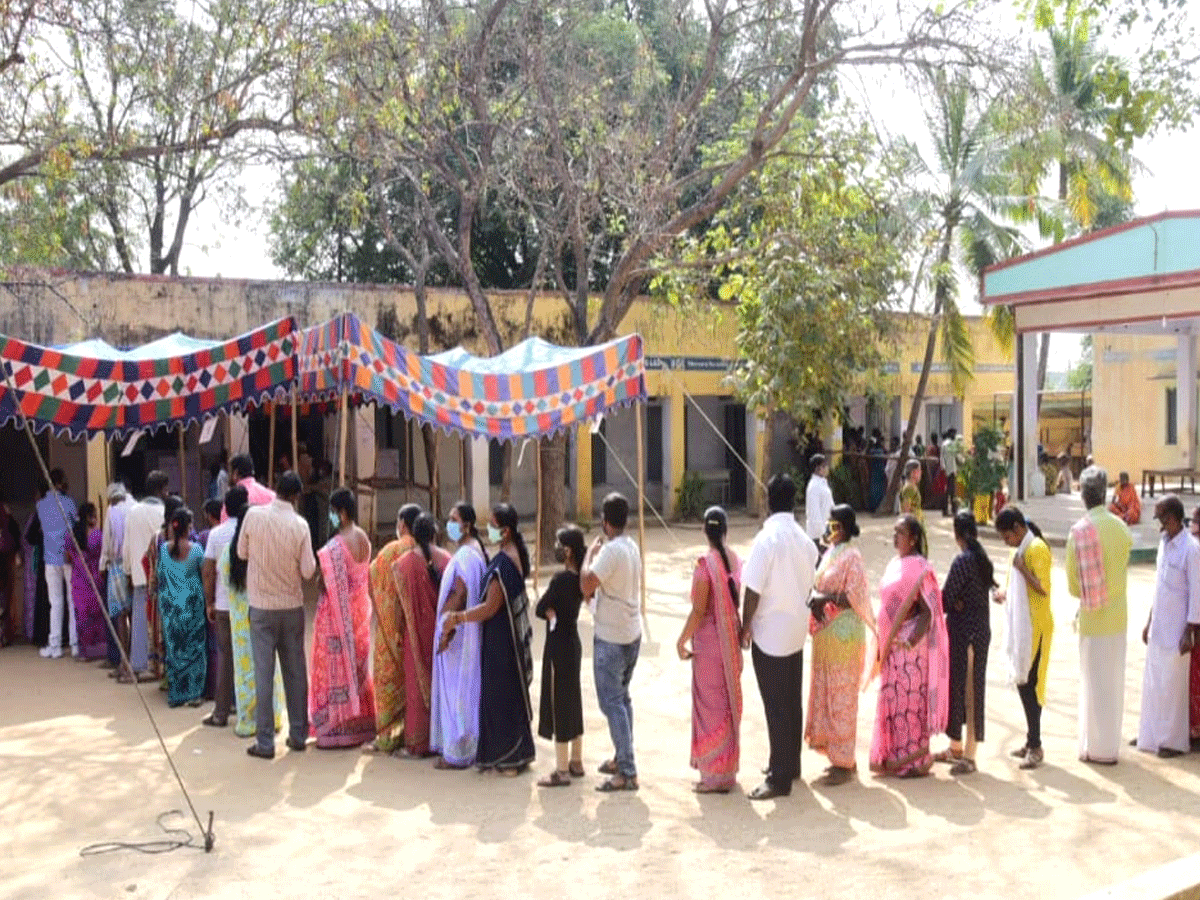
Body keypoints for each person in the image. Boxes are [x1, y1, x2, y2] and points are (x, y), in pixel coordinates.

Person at [741, 473, 818, 800]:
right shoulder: (804, 540)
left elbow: (753, 590)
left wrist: (745, 626)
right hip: (796, 631)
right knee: (791, 700)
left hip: (770, 633)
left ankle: (779, 776)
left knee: (776, 705)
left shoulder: (767, 539)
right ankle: (790, 762)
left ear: (769, 500)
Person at [443, 503, 535, 775]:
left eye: (494, 525)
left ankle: (509, 757)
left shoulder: (504, 563)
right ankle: (514, 753)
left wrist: (457, 619)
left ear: (505, 531)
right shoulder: (511, 552)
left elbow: (489, 608)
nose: (489, 530)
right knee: (508, 695)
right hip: (504, 635)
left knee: (500, 697)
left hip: (501, 640)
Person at [238, 471, 317, 759]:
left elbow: (241, 552)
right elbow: (308, 571)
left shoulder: (254, 517)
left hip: (260, 606)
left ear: (276, 490)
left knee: (263, 673)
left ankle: (265, 742)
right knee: (295, 672)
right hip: (291, 606)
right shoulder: (300, 525)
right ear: (296, 496)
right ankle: (298, 734)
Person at [870, 515, 949, 778]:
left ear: (913, 539)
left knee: (910, 705)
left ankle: (915, 761)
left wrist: (910, 641)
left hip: (910, 650)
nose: (895, 537)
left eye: (900, 533)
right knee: (893, 701)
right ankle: (894, 757)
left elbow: (929, 611)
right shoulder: (895, 564)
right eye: (894, 532)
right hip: (892, 647)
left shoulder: (922, 569)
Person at [1067, 466, 1132, 765]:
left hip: (1092, 621)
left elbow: (1072, 586)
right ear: (1105, 492)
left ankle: (1092, 747)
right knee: (1114, 684)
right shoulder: (1121, 529)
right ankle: (1109, 748)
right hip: (1118, 618)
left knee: (1092, 684)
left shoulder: (1078, 532)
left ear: (1083, 494)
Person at [805, 504, 873, 786]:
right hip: (826, 635)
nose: (829, 529)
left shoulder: (853, 556)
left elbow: (854, 595)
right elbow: (819, 583)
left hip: (844, 637)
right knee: (827, 696)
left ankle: (846, 763)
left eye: (833, 524)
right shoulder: (831, 553)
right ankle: (835, 756)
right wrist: (815, 596)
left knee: (842, 700)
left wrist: (826, 600)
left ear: (843, 527)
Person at [676, 507, 742, 793]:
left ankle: (713, 776)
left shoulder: (705, 566)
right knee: (724, 706)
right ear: (725, 530)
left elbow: (699, 610)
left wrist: (681, 640)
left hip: (710, 648)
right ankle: (726, 772)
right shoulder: (734, 560)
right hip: (730, 643)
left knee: (710, 709)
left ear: (704, 530)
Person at [582, 492, 644, 792]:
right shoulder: (630, 546)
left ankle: (628, 770)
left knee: (613, 703)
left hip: (612, 636)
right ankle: (622, 758)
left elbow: (586, 584)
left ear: (605, 523)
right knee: (622, 699)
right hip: (630, 632)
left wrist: (589, 556)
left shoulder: (610, 552)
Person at [309, 488, 376, 749]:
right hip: (359, 611)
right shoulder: (364, 539)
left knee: (334, 669)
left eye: (334, 512)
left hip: (337, 617)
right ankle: (362, 724)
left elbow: (325, 583)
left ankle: (336, 726)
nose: (332, 517)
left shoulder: (336, 546)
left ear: (343, 512)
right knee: (358, 666)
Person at [1136, 495, 1200, 758]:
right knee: (1154, 683)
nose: (1160, 524)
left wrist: (1190, 631)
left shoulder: (1191, 549)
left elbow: (1197, 594)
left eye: (1162, 518)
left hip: (1177, 631)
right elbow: (1159, 588)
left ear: (1173, 518)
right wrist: (1149, 621)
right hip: (1159, 626)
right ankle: (1150, 735)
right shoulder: (1164, 545)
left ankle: (1173, 741)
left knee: (1173, 686)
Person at [384, 511, 450, 757]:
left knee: (415, 690)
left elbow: (398, 605)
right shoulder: (446, 560)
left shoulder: (403, 564)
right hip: (443, 634)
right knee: (442, 686)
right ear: (435, 533)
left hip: (414, 634)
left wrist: (398, 631)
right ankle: (443, 739)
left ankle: (417, 744)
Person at [934, 512, 995, 775]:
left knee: (966, 692)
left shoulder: (963, 561)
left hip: (965, 634)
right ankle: (958, 747)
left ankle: (968, 754)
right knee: (967, 689)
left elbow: (946, 599)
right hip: (978, 631)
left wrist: (955, 602)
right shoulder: (982, 560)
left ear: (957, 534)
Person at [994, 506, 1053, 770]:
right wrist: (1003, 594)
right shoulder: (1017, 552)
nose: (1007, 542)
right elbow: (1014, 585)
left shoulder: (1037, 549)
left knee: (1031, 685)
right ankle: (1031, 740)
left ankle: (1036, 744)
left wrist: (1022, 569)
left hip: (1036, 627)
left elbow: (1042, 588)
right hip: (1022, 626)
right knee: (1023, 682)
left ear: (1018, 529)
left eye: (1008, 537)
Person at [430, 502, 489, 769]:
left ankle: (457, 752)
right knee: (466, 690)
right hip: (467, 634)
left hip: (458, 635)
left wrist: (446, 625)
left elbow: (459, 592)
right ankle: (467, 747)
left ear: (466, 525)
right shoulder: (475, 550)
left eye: (454, 520)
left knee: (457, 693)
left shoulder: (466, 556)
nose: (449, 524)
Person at [224, 499, 284, 738]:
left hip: (239, 623)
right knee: (268, 667)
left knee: (245, 673)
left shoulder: (229, 552)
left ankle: (248, 720)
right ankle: (273, 717)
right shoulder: (262, 550)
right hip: (264, 615)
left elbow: (224, 581)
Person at [367, 503, 421, 754]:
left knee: (387, 681)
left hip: (388, 631)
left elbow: (371, 580)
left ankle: (387, 737)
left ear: (402, 524)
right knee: (412, 683)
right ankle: (411, 732)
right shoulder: (422, 549)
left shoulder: (390, 550)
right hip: (413, 631)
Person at [536, 525, 587, 788]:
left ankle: (562, 769)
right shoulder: (582, 579)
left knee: (560, 704)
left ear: (567, 551)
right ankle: (577, 760)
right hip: (573, 642)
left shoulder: (560, 581)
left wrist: (549, 613)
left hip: (558, 646)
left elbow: (540, 607)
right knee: (574, 699)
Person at [201, 485, 247, 728]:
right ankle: (247, 708)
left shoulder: (216, 535)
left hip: (224, 606)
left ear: (225, 509)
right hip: (249, 605)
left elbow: (208, 571)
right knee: (248, 658)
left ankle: (221, 711)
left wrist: (209, 601)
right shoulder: (252, 532)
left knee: (226, 658)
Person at [155, 507, 207, 707]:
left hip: (171, 612)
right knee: (195, 651)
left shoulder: (163, 550)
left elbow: (160, 576)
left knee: (174, 651)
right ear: (189, 527)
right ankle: (194, 693)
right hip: (192, 609)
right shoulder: (196, 550)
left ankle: (177, 693)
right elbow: (205, 576)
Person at [121, 470, 168, 682]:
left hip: (140, 574)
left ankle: (139, 664)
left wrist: (128, 570)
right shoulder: (164, 511)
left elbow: (127, 545)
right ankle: (160, 665)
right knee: (160, 623)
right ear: (161, 490)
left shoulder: (134, 511)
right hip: (160, 574)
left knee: (140, 621)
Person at [37, 468, 77, 658]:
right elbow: (75, 526)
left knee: (55, 602)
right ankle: (75, 644)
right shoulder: (69, 503)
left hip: (50, 557)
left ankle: (55, 646)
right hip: (68, 556)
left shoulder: (41, 505)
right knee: (71, 600)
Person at [65, 502, 107, 661]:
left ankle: (84, 651)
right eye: (94, 515)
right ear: (90, 516)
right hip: (95, 579)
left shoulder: (72, 535)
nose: (96, 518)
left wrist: (79, 561)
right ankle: (99, 650)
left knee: (82, 615)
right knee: (97, 615)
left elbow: (68, 557)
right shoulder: (98, 535)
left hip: (79, 580)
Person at [99, 482, 135, 670]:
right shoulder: (134, 507)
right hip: (133, 565)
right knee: (132, 613)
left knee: (120, 615)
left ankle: (124, 660)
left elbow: (107, 543)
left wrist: (102, 566)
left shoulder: (111, 512)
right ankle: (134, 658)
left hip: (117, 567)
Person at [223, 454, 275, 520]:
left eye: (229, 471)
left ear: (235, 473)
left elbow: (226, 523)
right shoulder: (271, 495)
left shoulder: (232, 499)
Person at [0, 497, 22, 647]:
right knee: (4, 598)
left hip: (4, 558)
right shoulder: (5, 511)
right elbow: (15, 535)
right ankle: (4, 636)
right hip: (5, 557)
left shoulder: (4, 511)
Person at [805, 454, 835, 546]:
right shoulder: (814, 486)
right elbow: (814, 513)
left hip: (827, 531)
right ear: (818, 468)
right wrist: (823, 534)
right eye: (824, 466)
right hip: (818, 537)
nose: (827, 468)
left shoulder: (822, 483)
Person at [941, 429, 960, 516]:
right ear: (950, 434)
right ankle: (953, 510)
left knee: (947, 491)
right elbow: (958, 457)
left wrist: (943, 468)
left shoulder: (944, 444)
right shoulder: (952, 444)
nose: (955, 436)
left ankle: (945, 510)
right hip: (952, 470)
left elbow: (941, 458)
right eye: (954, 434)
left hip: (946, 470)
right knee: (952, 492)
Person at [899, 459, 923, 527]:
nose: (921, 472)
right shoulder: (909, 488)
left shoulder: (912, 487)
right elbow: (906, 510)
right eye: (919, 470)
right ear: (913, 472)